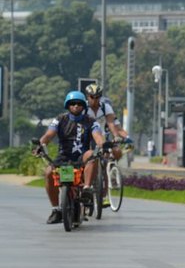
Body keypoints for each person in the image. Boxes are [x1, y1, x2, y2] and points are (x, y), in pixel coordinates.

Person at [33, 91, 106, 224]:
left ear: (83, 106)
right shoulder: (60, 120)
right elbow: (48, 135)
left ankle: (86, 189)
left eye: (79, 103)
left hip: (81, 158)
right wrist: (40, 145)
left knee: (92, 154)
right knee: (48, 172)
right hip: (63, 157)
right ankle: (56, 210)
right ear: (67, 105)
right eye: (72, 103)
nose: (76, 106)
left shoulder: (91, 121)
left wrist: (102, 146)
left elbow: (98, 137)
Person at [85, 83, 130, 161]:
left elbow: (111, 124)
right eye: (92, 97)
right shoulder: (83, 107)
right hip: (87, 138)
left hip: (103, 137)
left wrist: (116, 136)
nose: (94, 100)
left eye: (97, 97)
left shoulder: (106, 107)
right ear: (87, 96)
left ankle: (111, 165)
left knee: (116, 151)